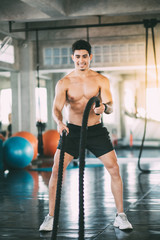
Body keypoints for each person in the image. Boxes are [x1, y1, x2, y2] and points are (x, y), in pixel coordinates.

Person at [39, 39, 133, 231]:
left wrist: (103, 108)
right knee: (56, 171)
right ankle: (50, 217)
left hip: (96, 131)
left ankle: (121, 216)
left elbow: (110, 105)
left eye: (84, 57)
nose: (81, 60)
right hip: (72, 131)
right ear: (72, 57)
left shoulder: (100, 80)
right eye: (77, 57)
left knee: (114, 169)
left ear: (90, 57)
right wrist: (59, 122)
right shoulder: (64, 82)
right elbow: (56, 109)